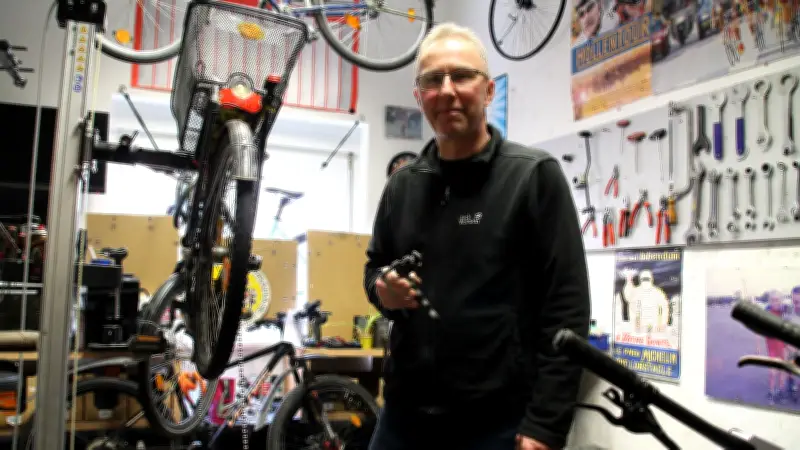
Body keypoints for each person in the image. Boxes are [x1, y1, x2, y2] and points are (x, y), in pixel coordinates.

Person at [363, 22, 591, 450]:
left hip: (497, 423)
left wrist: (546, 423)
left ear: (488, 91)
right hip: (404, 417)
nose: (447, 90)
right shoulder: (402, 186)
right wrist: (382, 290)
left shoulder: (532, 177)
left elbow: (567, 306)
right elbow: (375, 267)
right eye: (433, 80)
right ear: (419, 97)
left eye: (462, 75)